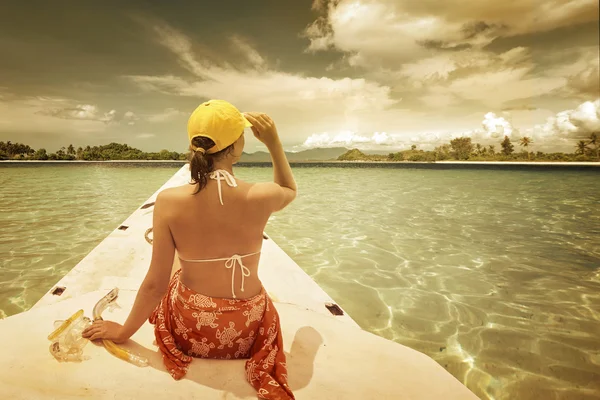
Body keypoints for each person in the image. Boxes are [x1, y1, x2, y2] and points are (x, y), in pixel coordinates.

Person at [82, 100, 298, 399]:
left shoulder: (169, 201)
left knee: (175, 268)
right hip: (247, 332)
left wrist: (122, 333)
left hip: (192, 332)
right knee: (251, 291)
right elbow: (290, 189)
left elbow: (155, 285)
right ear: (237, 146)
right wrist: (274, 143)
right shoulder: (262, 194)